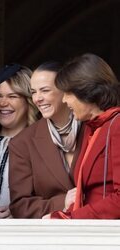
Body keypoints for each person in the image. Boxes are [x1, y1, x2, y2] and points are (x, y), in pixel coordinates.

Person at [47, 53, 120, 219]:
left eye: (68, 93)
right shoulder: (91, 128)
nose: (64, 100)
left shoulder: (117, 125)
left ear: (87, 91)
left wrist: (70, 219)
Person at [9, 61, 84, 218]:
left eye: (45, 90)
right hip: (51, 235)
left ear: (65, 91)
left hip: (100, 230)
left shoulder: (94, 129)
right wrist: (62, 202)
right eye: (34, 92)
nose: (37, 99)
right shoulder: (22, 143)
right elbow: (20, 206)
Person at [0, 63, 38, 218]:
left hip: (18, 236)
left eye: (12, 96)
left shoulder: (42, 145)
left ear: (28, 101)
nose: (3, 103)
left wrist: (19, 209)